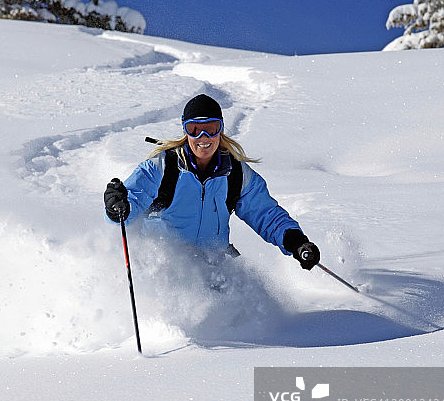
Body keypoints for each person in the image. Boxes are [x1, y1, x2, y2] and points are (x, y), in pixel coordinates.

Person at [104, 93, 320, 269]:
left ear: (221, 129)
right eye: (195, 130)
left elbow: (266, 214)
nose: (203, 137)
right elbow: (131, 203)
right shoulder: (164, 167)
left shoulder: (236, 174)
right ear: (185, 131)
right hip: (162, 265)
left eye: (211, 128)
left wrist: (295, 241)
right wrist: (117, 206)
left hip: (212, 265)